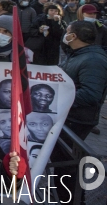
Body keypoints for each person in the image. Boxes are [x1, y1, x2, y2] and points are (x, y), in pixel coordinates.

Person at [52, 21, 107, 202]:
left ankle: (72, 199)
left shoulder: (93, 60)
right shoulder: (78, 54)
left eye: (67, 32)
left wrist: (59, 96)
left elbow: (91, 94)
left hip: (78, 120)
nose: (65, 35)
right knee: (63, 162)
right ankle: (62, 195)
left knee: (68, 164)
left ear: (74, 36)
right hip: (70, 117)